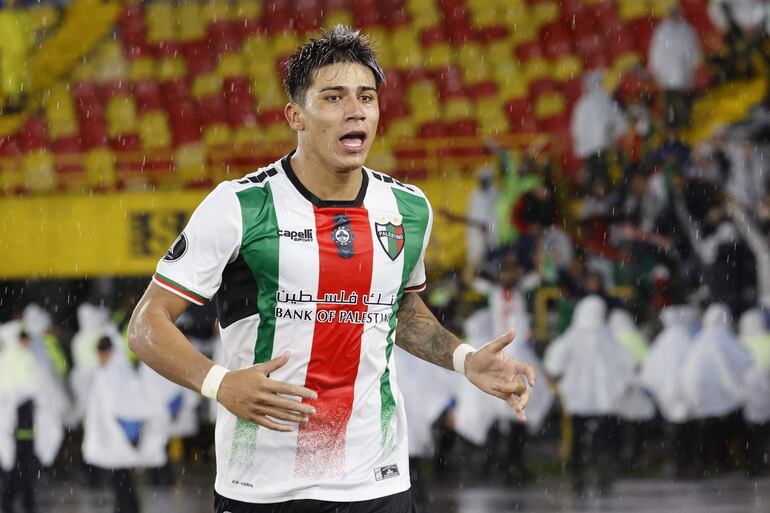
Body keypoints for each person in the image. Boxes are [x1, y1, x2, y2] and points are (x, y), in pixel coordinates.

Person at [127, 26, 536, 513]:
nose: (355, 110)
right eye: (334, 97)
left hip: (377, 484)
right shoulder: (240, 206)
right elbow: (145, 324)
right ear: (295, 115)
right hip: (264, 489)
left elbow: (395, 308)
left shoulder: (407, 209)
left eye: (366, 97)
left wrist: (464, 358)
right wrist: (219, 384)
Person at [544, 295, 634, 495]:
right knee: (603, 438)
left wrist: (555, 377)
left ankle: (576, 473)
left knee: (577, 438)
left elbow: (554, 361)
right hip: (604, 401)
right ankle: (602, 471)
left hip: (578, 400)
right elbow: (625, 362)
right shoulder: (607, 336)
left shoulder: (573, 336)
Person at [641, 305, 700, 477]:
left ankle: (675, 464)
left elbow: (649, 371)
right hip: (688, 394)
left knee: (674, 431)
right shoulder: (690, 339)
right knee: (690, 431)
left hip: (667, 395)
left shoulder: (662, 341)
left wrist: (655, 390)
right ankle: (691, 464)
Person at [570, 69, 628, 186]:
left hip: (591, 151)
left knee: (598, 181)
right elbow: (619, 123)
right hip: (605, 148)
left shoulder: (581, 104)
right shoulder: (604, 99)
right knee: (609, 179)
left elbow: (576, 131)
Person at [648, 6, 702, 127]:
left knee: (684, 103)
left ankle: (684, 126)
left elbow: (694, 51)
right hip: (666, 76)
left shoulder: (687, 30)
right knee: (670, 104)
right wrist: (654, 70)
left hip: (684, 74)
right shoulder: (661, 31)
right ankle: (672, 128)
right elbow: (655, 52)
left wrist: (693, 65)